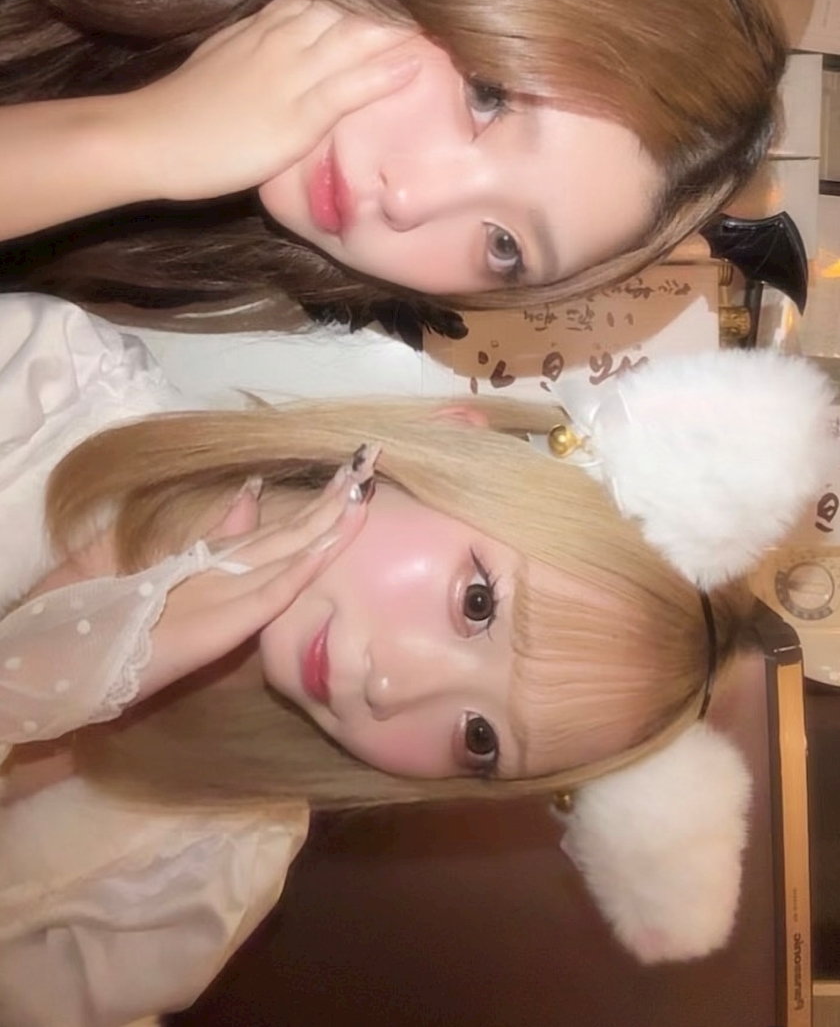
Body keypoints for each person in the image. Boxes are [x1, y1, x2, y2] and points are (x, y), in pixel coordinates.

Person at [0, 292, 829, 1025]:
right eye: (478, 603)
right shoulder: (43, 384)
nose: (394, 684)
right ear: (449, 444)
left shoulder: (198, 887)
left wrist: (49, 681)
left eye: (479, 738)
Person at [0, 0, 788, 335]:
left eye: (504, 246)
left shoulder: (180, 277)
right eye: (488, 94)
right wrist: (134, 142)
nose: (410, 199)